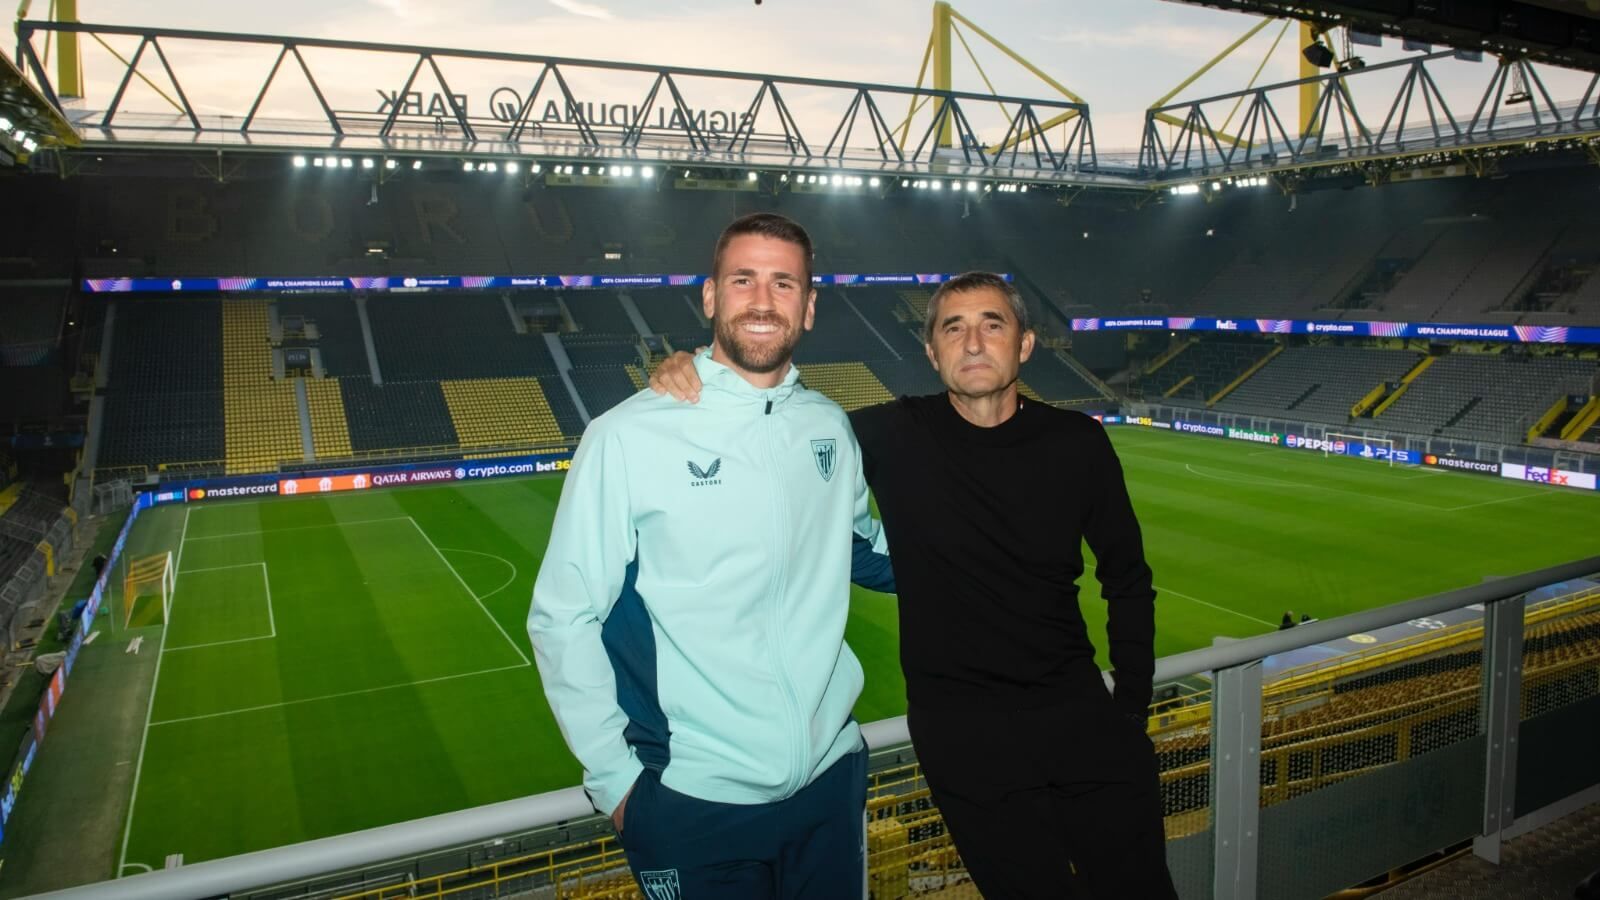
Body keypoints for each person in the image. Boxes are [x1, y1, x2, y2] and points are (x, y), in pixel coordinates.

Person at [651, 271, 1177, 898]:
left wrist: (1131, 709)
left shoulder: (1078, 442)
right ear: (931, 353)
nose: (974, 343)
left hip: (1081, 718)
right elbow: (775, 426)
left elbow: (1127, 578)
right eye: (954, 328)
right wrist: (694, 369)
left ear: (1027, 344)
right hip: (964, 737)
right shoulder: (891, 433)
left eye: (992, 324)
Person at [528, 212, 894, 899]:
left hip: (829, 785)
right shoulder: (627, 437)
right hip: (692, 803)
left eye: (784, 283)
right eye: (743, 280)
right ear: (709, 297)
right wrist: (619, 784)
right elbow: (562, 617)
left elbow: (860, 547)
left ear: (809, 306)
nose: (762, 300)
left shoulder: (828, 427)